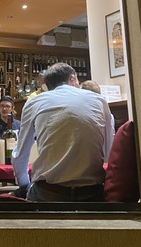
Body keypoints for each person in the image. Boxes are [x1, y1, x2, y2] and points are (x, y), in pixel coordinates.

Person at [12, 63, 114, 202]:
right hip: (91, 195)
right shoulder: (99, 100)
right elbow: (109, 152)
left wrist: (24, 185)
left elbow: (20, 154)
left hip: (48, 193)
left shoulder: (34, 102)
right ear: (72, 78)